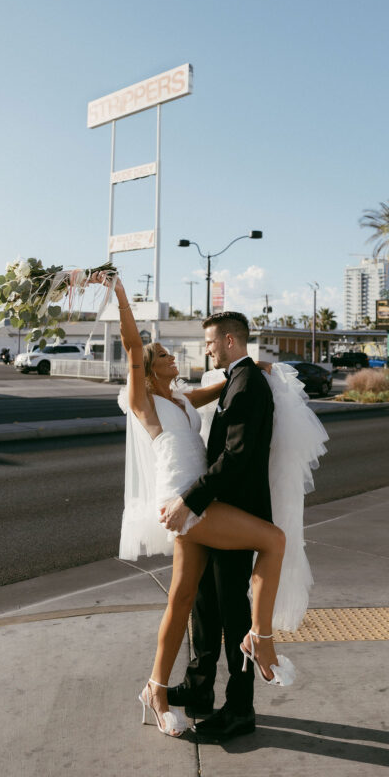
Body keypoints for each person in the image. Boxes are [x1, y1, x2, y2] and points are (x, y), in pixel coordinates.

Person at [110, 274, 291, 740]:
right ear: (149, 370)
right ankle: (257, 639)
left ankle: (157, 687)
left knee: (185, 599)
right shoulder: (143, 399)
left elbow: (224, 389)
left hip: (198, 500)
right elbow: (133, 348)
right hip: (186, 503)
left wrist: (256, 367)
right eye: (166, 355)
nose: (179, 356)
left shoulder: (179, 399)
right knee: (266, 545)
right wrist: (120, 294)